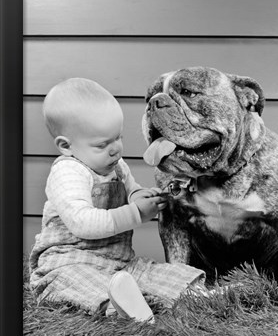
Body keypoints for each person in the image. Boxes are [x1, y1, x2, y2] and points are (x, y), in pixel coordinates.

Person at [29, 77, 206, 322]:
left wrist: (139, 196)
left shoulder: (116, 165)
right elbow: (83, 223)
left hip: (118, 262)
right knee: (76, 283)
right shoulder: (68, 172)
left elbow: (129, 189)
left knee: (153, 273)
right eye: (102, 144)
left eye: (118, 137)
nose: (115, 149)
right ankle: (118, 308)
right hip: (70, 261)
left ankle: (197, 294)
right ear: (66, 146)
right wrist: (135, 214)